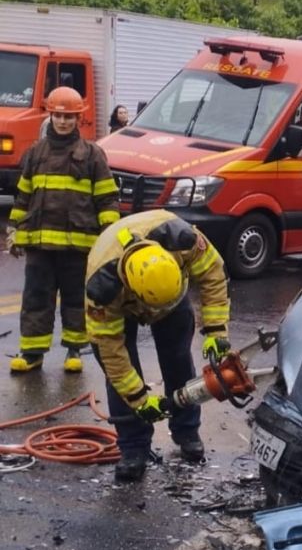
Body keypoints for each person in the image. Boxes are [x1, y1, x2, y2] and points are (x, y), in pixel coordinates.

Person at [85, 209, 231, 482]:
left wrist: (216, 329)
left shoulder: (184, 239)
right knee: (124, 375)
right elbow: (112, 355)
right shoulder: (103, 288)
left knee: (177, 359)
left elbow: (214, 275)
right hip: (123, 308)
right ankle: (133, 448)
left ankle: (187, 431)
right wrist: (140, 400)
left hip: (175, 299)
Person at [7, 86, 120, 374]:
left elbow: (106, 198)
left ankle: (74, 351)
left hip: (77, 245)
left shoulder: (93, 154)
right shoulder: (35, 153)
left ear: (78, 119)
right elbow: (23, 195)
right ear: (51, 116)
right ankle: (32, 354)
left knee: (75, 299)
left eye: (69, 117)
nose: (63, 122)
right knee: (35, 299)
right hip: (39, 245)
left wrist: (108, 238)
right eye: (59, 116)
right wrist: (15, 232)